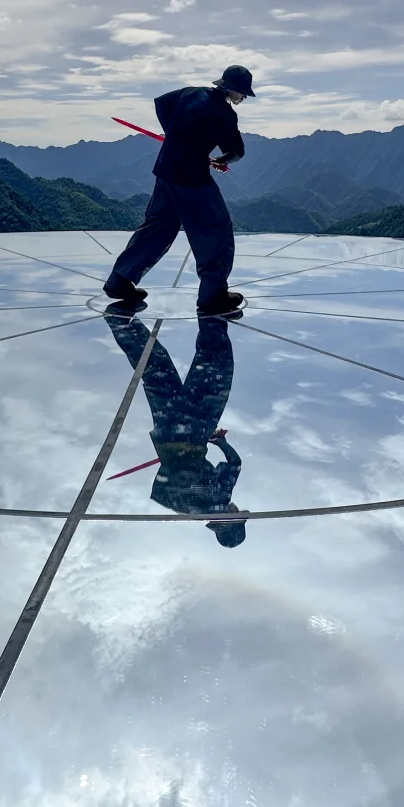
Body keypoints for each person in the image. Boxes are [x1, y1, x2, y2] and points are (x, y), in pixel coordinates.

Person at [103, 64, 255, 316]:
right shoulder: (225, 114)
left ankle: (119, 280)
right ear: (234, 90)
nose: (244, 98)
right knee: (216, 230)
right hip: (192, 178)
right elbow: (237, 151)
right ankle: (213, 295)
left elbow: (161, 103)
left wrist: (173, 133)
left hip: (165, 170)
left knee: (157, 228)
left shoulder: (189, 93)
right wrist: (222, 160)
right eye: (244, 94)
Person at [104, 312, 247, 546]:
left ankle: (213, 310)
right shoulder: (183, 507)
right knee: (156, 371)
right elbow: (161, 485)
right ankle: (121, 322)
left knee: (216, 367)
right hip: (166, 432)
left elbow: (235, 465)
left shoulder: (220, 499)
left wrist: (220, 442)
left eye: (238, 514)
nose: (237, 508)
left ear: (231, 520)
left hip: (194, 430)